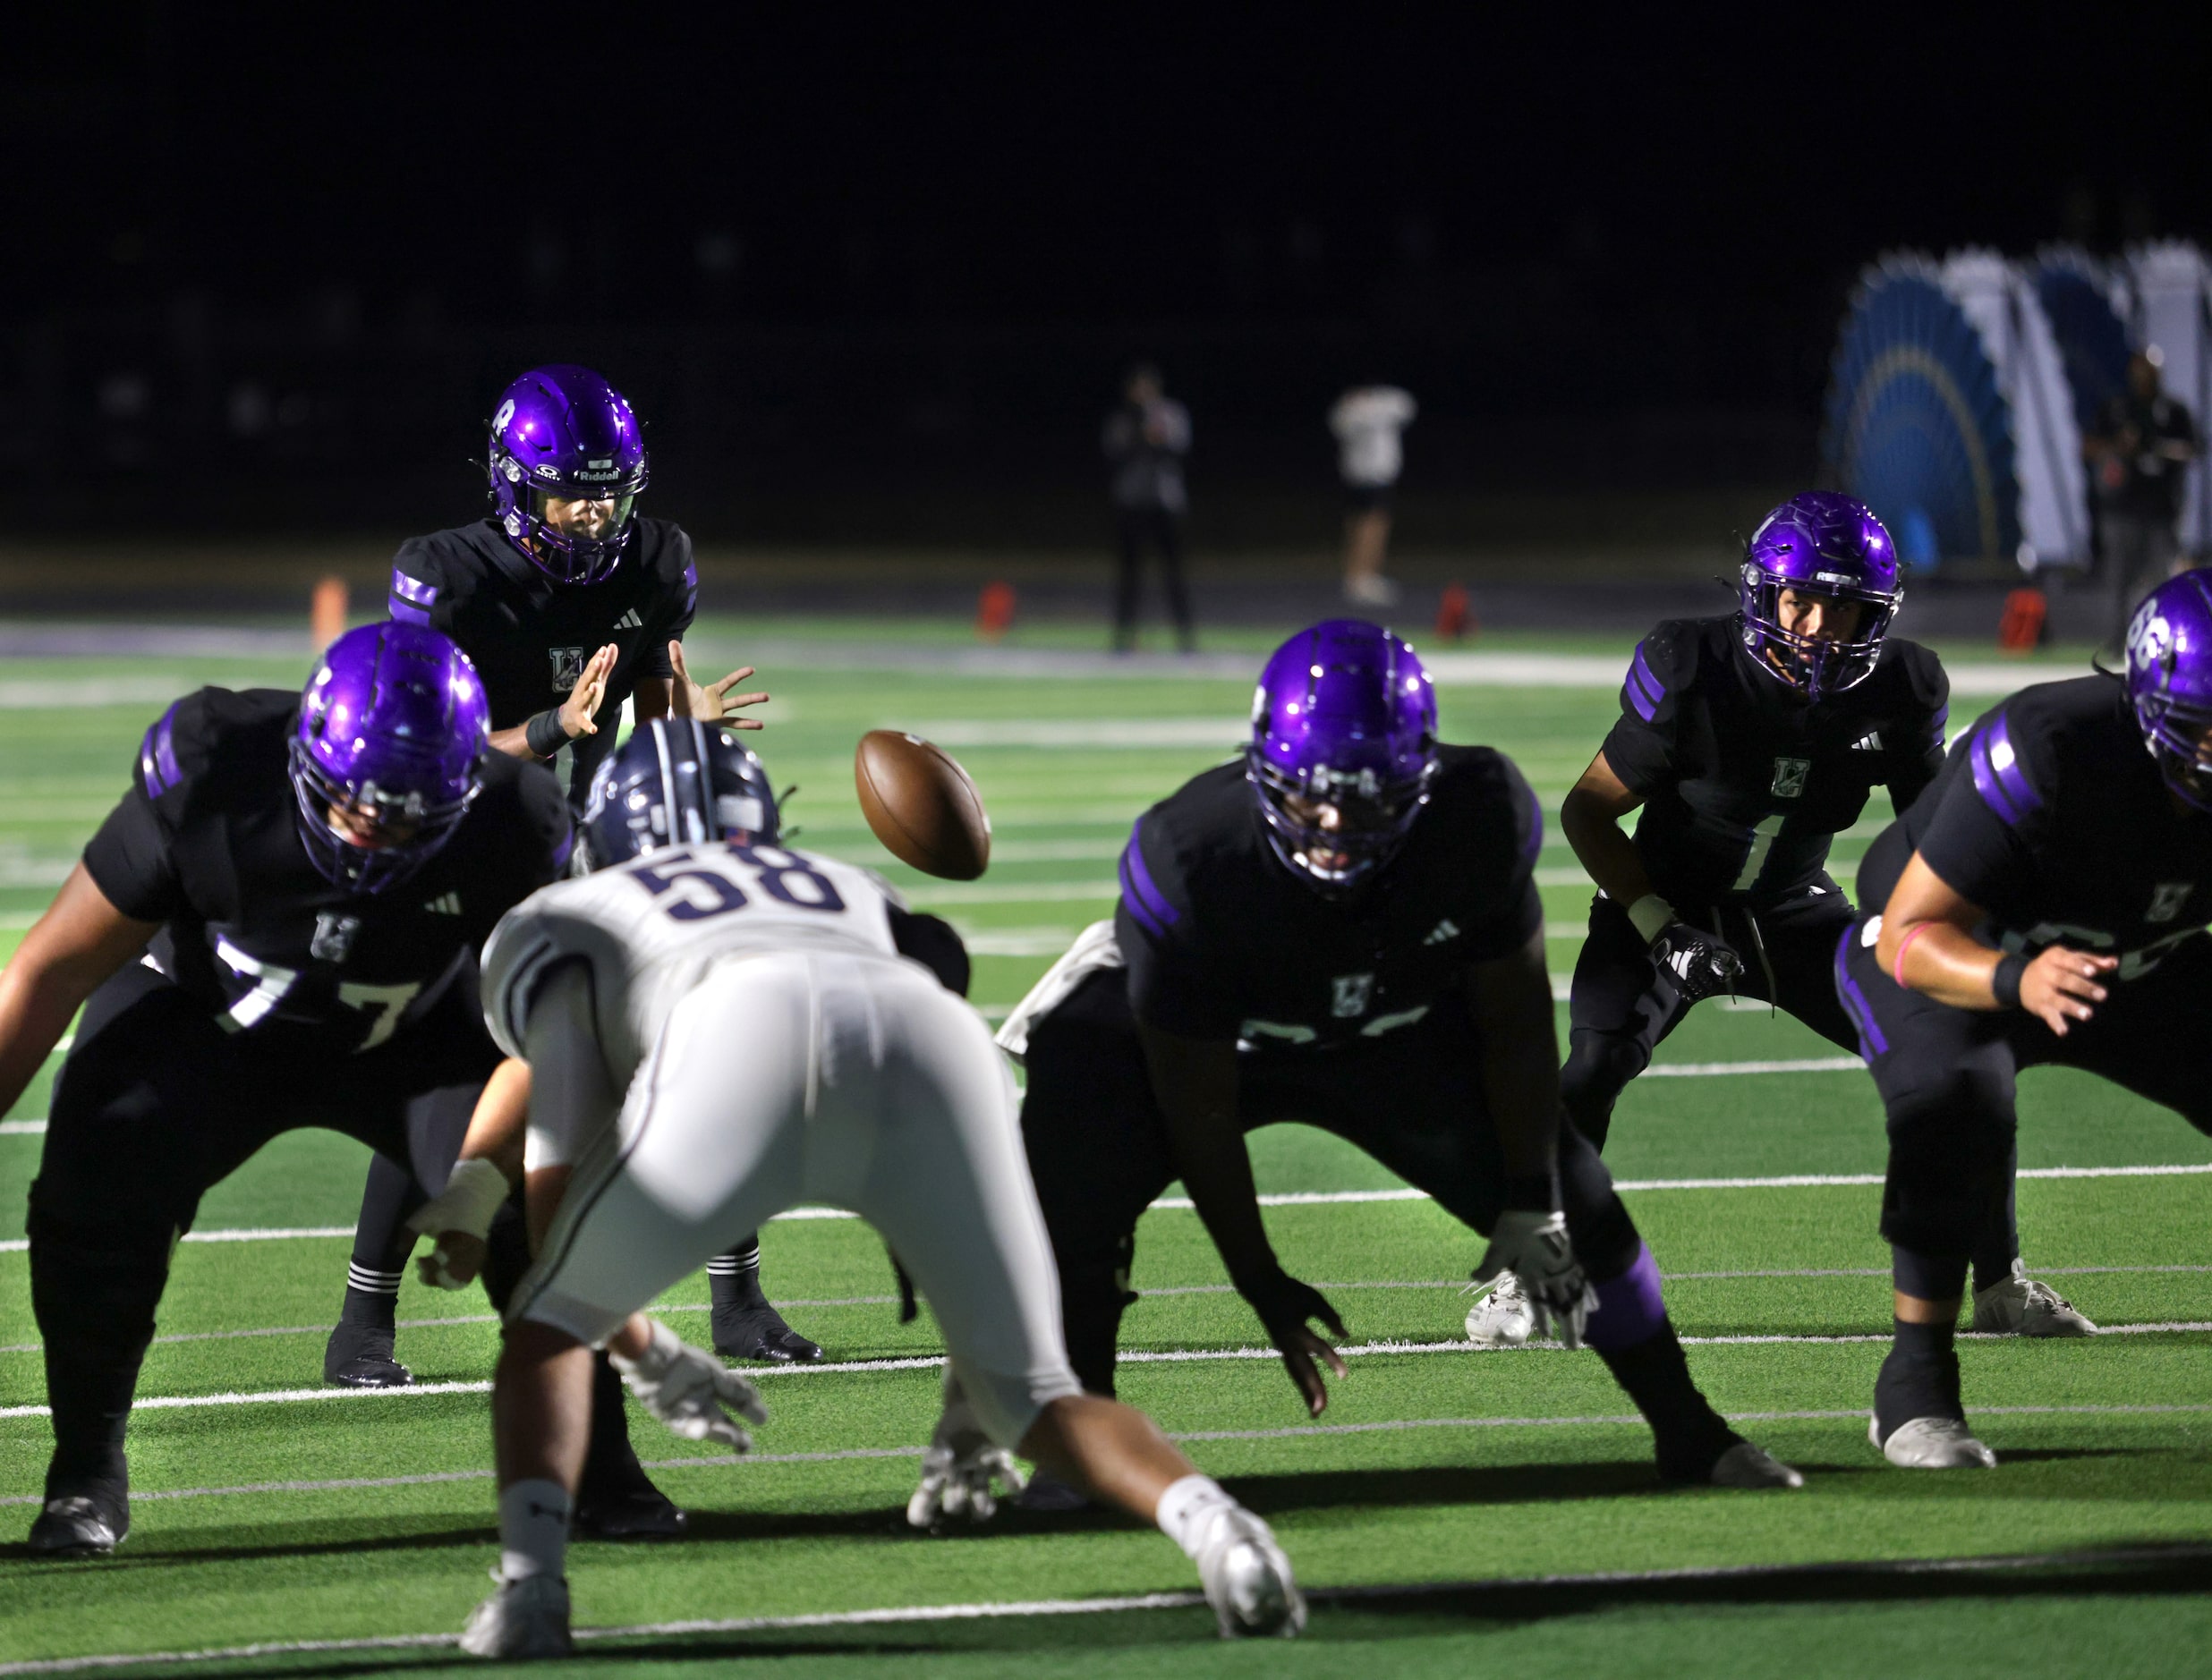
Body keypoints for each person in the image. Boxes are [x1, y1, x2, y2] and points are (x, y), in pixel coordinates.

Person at [453, 720, 1304, 1658]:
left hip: (736, 1035)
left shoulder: (570, 917)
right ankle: (1222, 1534)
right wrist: (968, 1379)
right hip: (936, 1041)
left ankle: (534, 1590)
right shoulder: (856, 887)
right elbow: (909, 1012)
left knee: (546, 1321)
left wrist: (641, 1347)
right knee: (1034, 1394)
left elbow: (556, 1188)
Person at [967, 620, 1802, 1512]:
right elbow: (1196, 1104)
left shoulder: (1478, 812)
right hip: (1227, 1040)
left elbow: (1513, 1025)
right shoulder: (1190, 856)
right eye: (1313, 795)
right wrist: (1258, 1279)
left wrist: (1532, 1196)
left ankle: (1691, 1430)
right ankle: (1076, 1448)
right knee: (1072, 1140)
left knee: (1581, 1206)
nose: (1334, 825)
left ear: (1421, 779)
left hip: (1393, 1026)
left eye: (1369, 798)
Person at [1473, 493, 2089, 1346]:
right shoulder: (1692, 666)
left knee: (1952, 1047)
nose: (1814, 627)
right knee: (1594, 1065)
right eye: (1798, 600)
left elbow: (1932, 835)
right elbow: (1587, 811)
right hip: (1670, 899)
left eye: (1840, 607)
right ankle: (1526, 1272)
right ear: (1763, 594)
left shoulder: (1904, 686)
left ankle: (1999, 1281)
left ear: (1875, 614)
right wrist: (1659, 924)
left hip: (1794, 906)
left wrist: (1979, 926)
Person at [6, 624, 571, 1554]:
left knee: (547, 1189)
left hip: (408, 1037)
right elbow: (50, 971)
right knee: (93, 1176)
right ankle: (85, 1473)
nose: (374, 832)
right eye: (357, 805)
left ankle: (598, 1464)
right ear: (303, 758)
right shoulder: (210, 767)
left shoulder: (519, 819)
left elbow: (554, 1032)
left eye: (408, 813)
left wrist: (481, 1177)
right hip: (206, 1018)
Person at [324, 363, 819, 1405]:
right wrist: (549, 732)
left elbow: (651, 717)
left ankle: (738, 1298)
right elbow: (419, 752)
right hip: (460, 833)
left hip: (586, 833)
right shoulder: (445, 575)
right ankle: (362, 1318)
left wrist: (686, 738)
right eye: (570, 492)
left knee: (703, 1028)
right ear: (514, 484)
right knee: (451, 1063)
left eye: (608, 490)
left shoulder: (656, 560)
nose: (593, 513)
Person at [1841, 570, 2212, 1467]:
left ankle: (1996, 1286)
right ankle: (1913, 1391)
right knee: (1953, 1095)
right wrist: (2014, 978)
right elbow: (1906, 932)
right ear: (2153, 705)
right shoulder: (2052, 746)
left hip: (2130, 961)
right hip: (1956, 952)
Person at [2084, 348, 2199, 651]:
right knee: (2119, 579)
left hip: (2161, 511)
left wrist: (2153, 447)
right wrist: (2119, 448)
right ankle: (2116, 640)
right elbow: (2090, 446)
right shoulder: (2118, 408)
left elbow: (2192, 448)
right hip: (2122, 509)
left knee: (2161, 581)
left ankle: (2162, 640)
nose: (2143, 378)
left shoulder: (2172, 410)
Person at [1102, 364, 1195, 653]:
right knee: (1129, 573)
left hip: (1163, 503)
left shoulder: (1171, 413)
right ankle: (1122, 635)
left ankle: (1185, 636)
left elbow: (1180, 448)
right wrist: (1139, 434)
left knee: (1173, 572)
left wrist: (1158, 438)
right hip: (1131, 503)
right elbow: (1113, 451)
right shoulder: (1122, 418)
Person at [1330, 386, 1416, 607]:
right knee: (1371, 524)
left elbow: (1406, 408)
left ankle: (1360, 577)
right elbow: (1340, 426)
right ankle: (1363, 577)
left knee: (1365, 523)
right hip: (1368, 476)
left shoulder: (1386, 401)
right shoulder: (1351, 408)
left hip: (1366, 475)